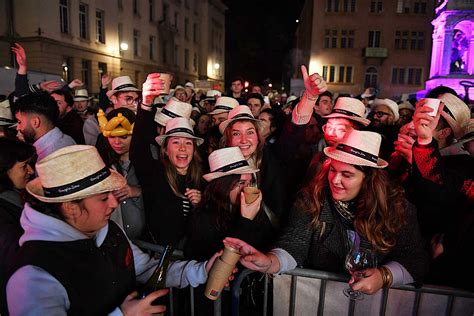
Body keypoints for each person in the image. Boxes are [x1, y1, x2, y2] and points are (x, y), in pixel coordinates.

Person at [5, 145, 224, 315]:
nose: (114, 203)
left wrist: (203, 270)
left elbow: (147, 269)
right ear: (70, 207)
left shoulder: (108, 230)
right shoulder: (33, 276)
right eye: (103, 198)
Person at [225, 129, 429, 296]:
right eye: (333, 170)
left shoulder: (396, 207)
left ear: (369, 179)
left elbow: (415, 259)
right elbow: (294, 243)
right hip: (321, 301)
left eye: (347, 174)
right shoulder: (313, 198)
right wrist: (270, 262)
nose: (335, 180)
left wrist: (384, 276)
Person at [132, 73, 204, 248]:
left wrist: (200, 207)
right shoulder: (155, 173)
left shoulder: (203, 177)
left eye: (188, 142)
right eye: (176, 142)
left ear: (194, 149)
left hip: (190, 258)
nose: (182, 148)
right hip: (161, 255)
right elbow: (139, 149)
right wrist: (147, 103)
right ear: (165, 148)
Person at [184, 147, 274, 261]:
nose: (246, 188)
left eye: (249, 182)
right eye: (241, 183)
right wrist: (246, 220)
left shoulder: (251, 210)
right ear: (223, 185)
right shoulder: (203, 217)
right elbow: (221, 260)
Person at [219, 105, 287, 223]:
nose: (244, 140)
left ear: (257, 137)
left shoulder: (271, 162)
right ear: (228, 139)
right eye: (236, 134)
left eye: (250, 132)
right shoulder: (218, 163)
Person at [95, 108, 145, 240]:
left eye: (123, 137)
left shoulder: (149, 159)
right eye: (112, 137)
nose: (117, 142)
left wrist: (136, 190)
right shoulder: (100, 162)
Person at [0, 138, 35, 315]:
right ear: (5, 170)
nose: (31, 171)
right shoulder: (4, 213)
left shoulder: (18, 198)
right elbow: (14, 255)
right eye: (24, 166)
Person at [14, 92, 76, 161]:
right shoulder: (67, 139)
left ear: (35, 122)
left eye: (20, 122)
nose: (18, 127)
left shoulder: (49, 158)